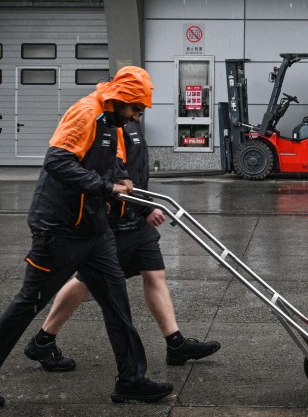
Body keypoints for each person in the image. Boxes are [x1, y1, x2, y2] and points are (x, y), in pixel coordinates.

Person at [0, 67, 172, 409]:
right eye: (136, 108)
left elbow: (107, 164)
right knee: (28, 303)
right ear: (120, 100)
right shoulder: (87, 113)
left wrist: (122, 180)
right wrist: (105, 187)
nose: (138, 115)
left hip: (93, 230)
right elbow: (58, 161)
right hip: (59, 229)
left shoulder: (112, 124)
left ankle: (131, 380)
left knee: (116, 303)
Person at [24, 77, 221, 371]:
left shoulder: (130, 124)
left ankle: (175, 342)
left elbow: (129, 174)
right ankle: (44, 338)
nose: (139, 114)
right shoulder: (109, 125)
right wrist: (140, 210)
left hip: (136, 217)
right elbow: (108, 176)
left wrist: (142, 207)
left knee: (154, 274)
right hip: (116, 220)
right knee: (88, 281)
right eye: (137, 108)